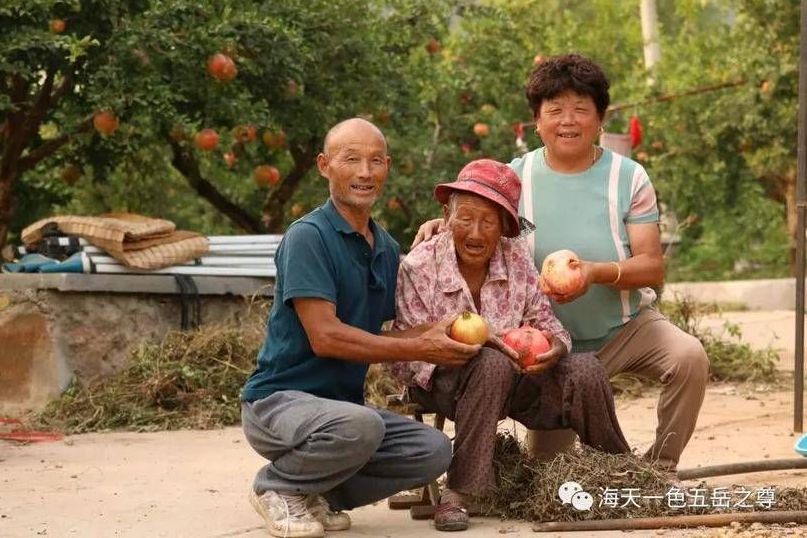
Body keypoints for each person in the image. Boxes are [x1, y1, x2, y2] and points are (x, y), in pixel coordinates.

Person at [413, 54, 709, 475]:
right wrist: (440, 225)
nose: (567, 120)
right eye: (554, 110)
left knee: (689, 356)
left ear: (600, 117)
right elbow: (477, 216)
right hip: (547, 351)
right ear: (536, 120)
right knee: (547, 472)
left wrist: (593, 272)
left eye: (580, 109)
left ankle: (658, 470)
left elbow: (652, 267)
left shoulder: (628, 177)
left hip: (623, 329)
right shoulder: (516, 178)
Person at [240, 118, 481, 538]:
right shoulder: (308, 237)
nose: (365, 172)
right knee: (361, 425)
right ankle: (277, 486)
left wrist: (434, 333)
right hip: (278, 404)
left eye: (375, 161)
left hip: (341, 412)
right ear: (324, 165)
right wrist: (418, 347)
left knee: (432, 451)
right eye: (351, 159)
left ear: (387, 167)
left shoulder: (385, 248)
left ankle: (318, 494)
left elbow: (385, 333)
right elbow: (326, 336)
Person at [392, 158, 629, 532]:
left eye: (488, 221)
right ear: (446, 215)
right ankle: (459, 493)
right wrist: (460, 345)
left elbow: (549, 326)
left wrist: (555, 346)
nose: (476, 231)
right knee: (489, 361)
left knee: (587, 368)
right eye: (466, 218)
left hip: (515, 378)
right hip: (442, 383)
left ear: (504, 227)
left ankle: (620, 474)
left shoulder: (516, 259)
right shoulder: (419, 266)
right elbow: (406, 359)